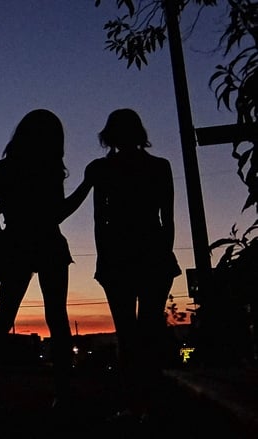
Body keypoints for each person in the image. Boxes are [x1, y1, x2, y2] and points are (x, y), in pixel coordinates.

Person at [65, 108, 182, 422]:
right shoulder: (159, 166)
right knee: (148, 331)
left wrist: (104, 260)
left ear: (109, 136)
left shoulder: (101, 169)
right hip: (152, 255)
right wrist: (164, 252)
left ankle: (135, 402)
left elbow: (98, 221)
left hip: (119, 258)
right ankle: (151, 403)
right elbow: (166, 218)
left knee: (128, 335)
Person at [0, 109, 74, 409]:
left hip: (16, 244)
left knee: (5, 316)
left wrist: (5, 210)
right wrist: (85, 188)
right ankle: (63, 392)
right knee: (57, 317)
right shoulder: (50, 170)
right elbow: (58, 213)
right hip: (49, 244)